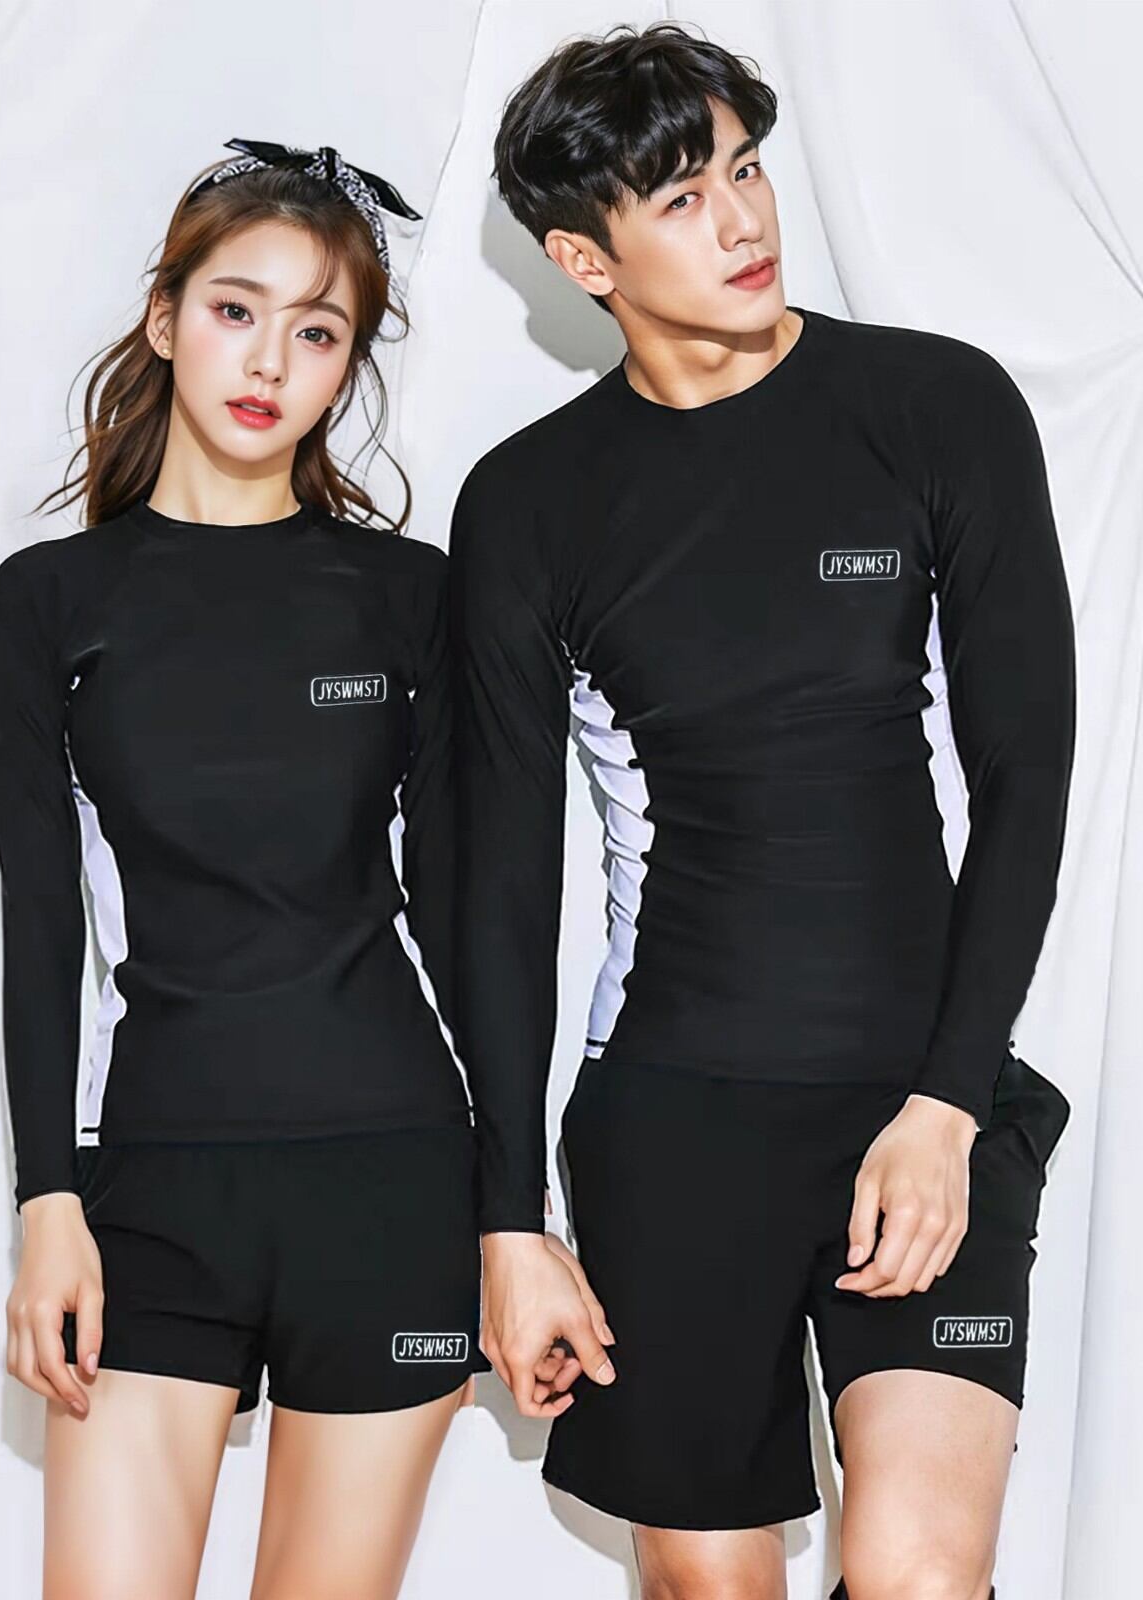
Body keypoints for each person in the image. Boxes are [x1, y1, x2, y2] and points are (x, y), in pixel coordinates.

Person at [449, 23, 1075, 1600]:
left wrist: (946, 1104)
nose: (742, 220)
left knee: (921, 1572)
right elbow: (505, 884)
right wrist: (508, 1220)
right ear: (583, 260)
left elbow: (1027, 776)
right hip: (673, 1124)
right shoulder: (529, 505)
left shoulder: (936, 408)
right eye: (680, 198)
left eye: (742, 168)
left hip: (921, 1098)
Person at [0, 136, 488, 1600]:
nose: (270, 360)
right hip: (154, 1190)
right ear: (165, 317)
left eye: (318, 332)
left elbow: (473, 924)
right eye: (235, 309)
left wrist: (519, 1210)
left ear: (348, 366)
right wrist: (47, 1204)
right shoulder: (49, 602)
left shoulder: (410, 596)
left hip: (391, 1181)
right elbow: (40, 923)